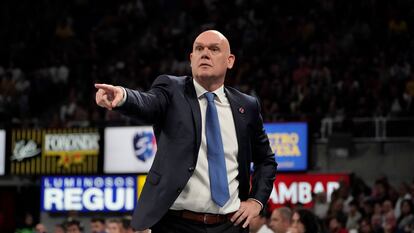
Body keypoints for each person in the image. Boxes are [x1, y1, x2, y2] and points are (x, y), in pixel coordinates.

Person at [95, 29, 277, 233]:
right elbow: (149, 103)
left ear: (230, 60)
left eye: (214, 49)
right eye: (199, 49)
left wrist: (256, 201)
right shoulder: (172, 89)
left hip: (230, 225)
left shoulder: (247, 106)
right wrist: (125, 97)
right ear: (191, 59)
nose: (205, 53)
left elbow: (266, 160)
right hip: (177, 224)